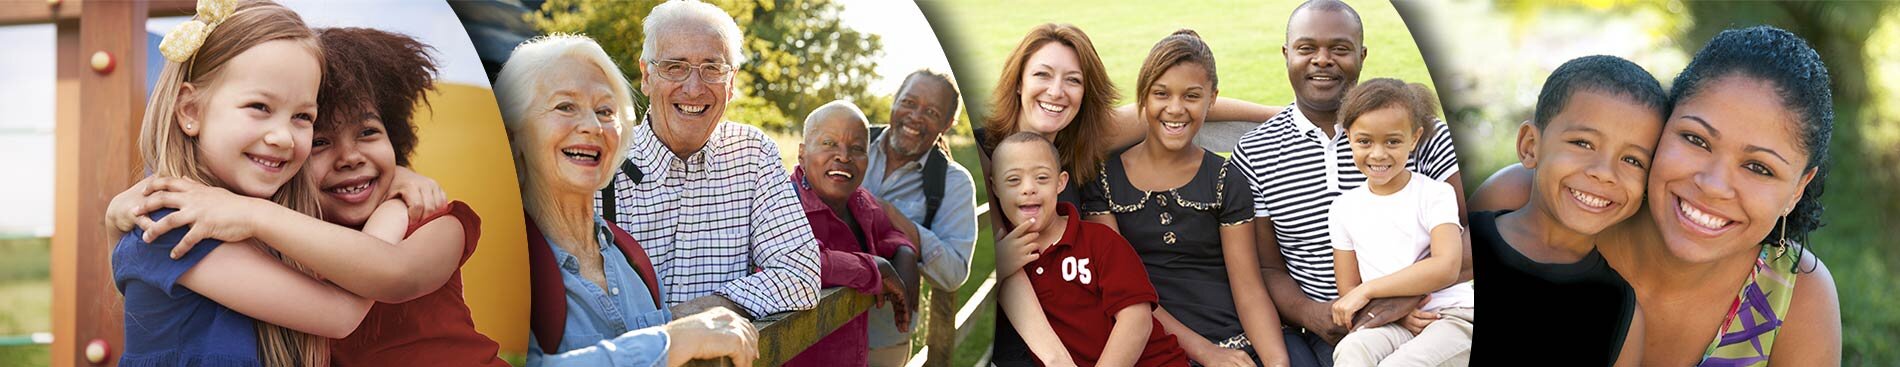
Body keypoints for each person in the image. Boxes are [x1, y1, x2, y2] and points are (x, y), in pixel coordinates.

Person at [109, 26, 510, 366]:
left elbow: (399, 274)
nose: (350, 157)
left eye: (369, 132)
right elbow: (341, 312)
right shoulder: (238, 232)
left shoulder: (434, 217)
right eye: (320, 140)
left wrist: (395, 200)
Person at [1474, 26, 1841, 366]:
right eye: (1696, 139)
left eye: (1758, 167)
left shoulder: (1799, 301)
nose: (1713, 185)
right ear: (1663, 125)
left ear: (1797, 189)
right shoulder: (1525, 203)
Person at [111, 1, 367, 365]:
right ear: (191, 111)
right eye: (259, 107)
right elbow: (342, 315)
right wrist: (393, 213)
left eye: (302, 116)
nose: (283, 137)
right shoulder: (171, 222)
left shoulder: (259, 220)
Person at [1227, 1, 1470, 364]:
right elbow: (1268, 266)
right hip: (1324, 328)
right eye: (1306, 48)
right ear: (1286, 54)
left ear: (1362, 55)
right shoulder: (1255, 152)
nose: (1322, 59)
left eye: (1340, 49)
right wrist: (1312, 314)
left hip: (1428, 315)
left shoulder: (1412, 131)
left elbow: (1467, 229)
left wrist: (1398, 303)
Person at [495, 33, 759, 367]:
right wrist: (669, 342)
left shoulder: (633, 260)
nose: (592, 126)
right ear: (513, 132)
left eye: (605, 111)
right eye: (565, 106)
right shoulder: (499, 262)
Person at [597, 0, 821, 320]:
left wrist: (698, 314)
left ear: (731, 84)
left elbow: (801, 275)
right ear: (646, 76)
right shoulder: (599, 158)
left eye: (712, 68)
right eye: (675, 66)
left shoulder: (753, 156)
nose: (694, 88)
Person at [1080, 29, 1288, 367]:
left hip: (1230, 337)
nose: (1175, 109)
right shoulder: (1103, 181)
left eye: (1191, 96)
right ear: (1143, 97)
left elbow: (1249, 289)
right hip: (1147, 342)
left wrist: (1277, 364)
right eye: (1161, 94)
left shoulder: (1225, 180)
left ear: (1212, 99)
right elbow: (1125, 292)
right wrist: (1207, 354)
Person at [1467, 55, 1667, 366]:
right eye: (1583, 143)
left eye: (1632, 160)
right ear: (1531, 146)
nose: (1604, 172)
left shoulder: (1621, 312)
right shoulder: (1468, 241)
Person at [994, 132, 1190, 367]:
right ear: (995, 187)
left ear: (1061, 183)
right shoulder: (1003, 259)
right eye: (1013, 180)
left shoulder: (1098, 241)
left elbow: (1136, 320)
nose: (1028, 188)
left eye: (1042, 178)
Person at [1322, 79, 1473, 366]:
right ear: (1348, 137)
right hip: (1392, 322)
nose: (1378, 154)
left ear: (1414, 139)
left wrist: (1369, 290)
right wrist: (1399, 313)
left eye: (1392, 141)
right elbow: (1348, 290)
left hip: (1452, 315)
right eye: (1364, 141)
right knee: (1352, 351)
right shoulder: (1343, 208)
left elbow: (1446, 266)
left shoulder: (1435, 194)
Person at [784, 101, 923, 367]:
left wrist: (904, 252)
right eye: (828, 143)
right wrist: (875, 268)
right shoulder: (784, 203)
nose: (844, 156)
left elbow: (888, 233)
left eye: (857, 148)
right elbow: (795, 259)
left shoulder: (862, 202)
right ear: (802, 154)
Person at [860, 69, 980, 366]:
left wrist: (895, 219)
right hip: (812, 330)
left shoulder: (953, 183)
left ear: (947, 123)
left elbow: (953, 274)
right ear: (894, 100)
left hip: (881, 342)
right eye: (909, 102)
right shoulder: (851, 142)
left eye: (931, 111)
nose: (915, 116)